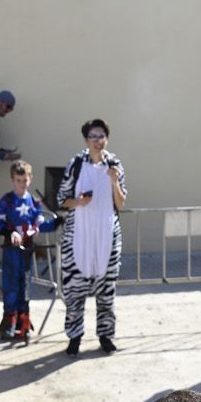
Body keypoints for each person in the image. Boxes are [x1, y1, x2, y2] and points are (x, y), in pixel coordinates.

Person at [59, 119, 127, 356]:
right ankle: (74, 336)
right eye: (93, 136)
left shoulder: (115, 164)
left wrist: (114, 181)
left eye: (101, 136)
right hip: (79, 235)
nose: (98, 140)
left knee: (106, 291)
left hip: (107, 235)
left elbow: (121, 202)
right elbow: (61, 199)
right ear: (86, 140)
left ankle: (106, 336)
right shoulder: (76, 164)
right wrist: (79, 202)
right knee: (74, 291)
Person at [0, 161, 58, 344]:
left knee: (25, 286)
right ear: (13, 180)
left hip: (27, 250)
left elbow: (39, 224)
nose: (22, 183)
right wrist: (9, 232)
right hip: (11, 250)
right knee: (10, 286)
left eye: (25, 180)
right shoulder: (7, 201)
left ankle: (23, 321)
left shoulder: (33, 202)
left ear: (30, 179)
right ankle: (9, 322)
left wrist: (58, 222)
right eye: (18, 180)